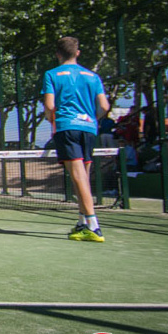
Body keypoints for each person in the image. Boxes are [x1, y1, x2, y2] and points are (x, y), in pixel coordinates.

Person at [41, 37, 110, 243]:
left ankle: (93, 225)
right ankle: (82, 222)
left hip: (67, 128)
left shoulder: (52, 74)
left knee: (78, 177)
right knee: (82, 178)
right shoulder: (93, 76)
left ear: (58, 54)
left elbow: (49, 106)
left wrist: (52, 119)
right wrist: (91, 119)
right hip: (89, 129)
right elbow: (104, 107)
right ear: (77, 53)